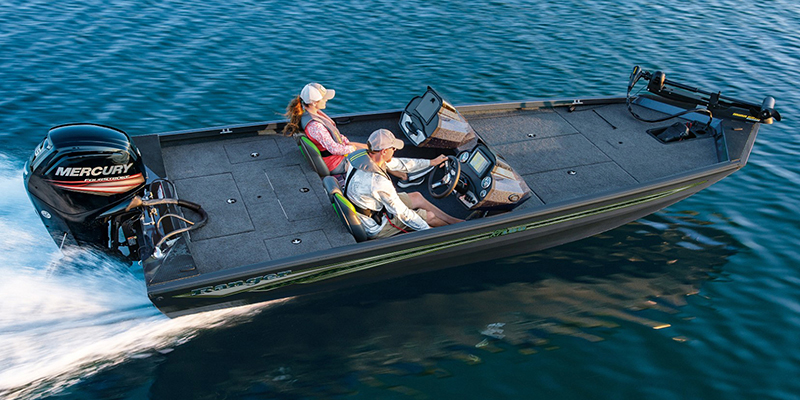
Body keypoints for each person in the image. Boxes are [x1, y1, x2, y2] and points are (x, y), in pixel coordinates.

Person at [344, 129, 463, 239]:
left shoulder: (362, 158)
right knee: (429, 217)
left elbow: (401, 164)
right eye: (393, 148)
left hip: (370, 205)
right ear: (384, 151)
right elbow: (404, 214)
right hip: (375, 226)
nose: (394, 151)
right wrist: (426, 229)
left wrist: (432, 162)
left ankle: (454, 222)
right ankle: (455, 235)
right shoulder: (378, 182)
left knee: (417, 196)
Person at [283, 83, 367, 174]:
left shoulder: (308, 115)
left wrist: (347, 143)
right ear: (314, 103)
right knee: (374, 157)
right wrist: (352, 148)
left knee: (369, 148)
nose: (326, 99)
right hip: (337, 163)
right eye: (324, 98)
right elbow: (334, 149)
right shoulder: (316, 126)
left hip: (337, 154)